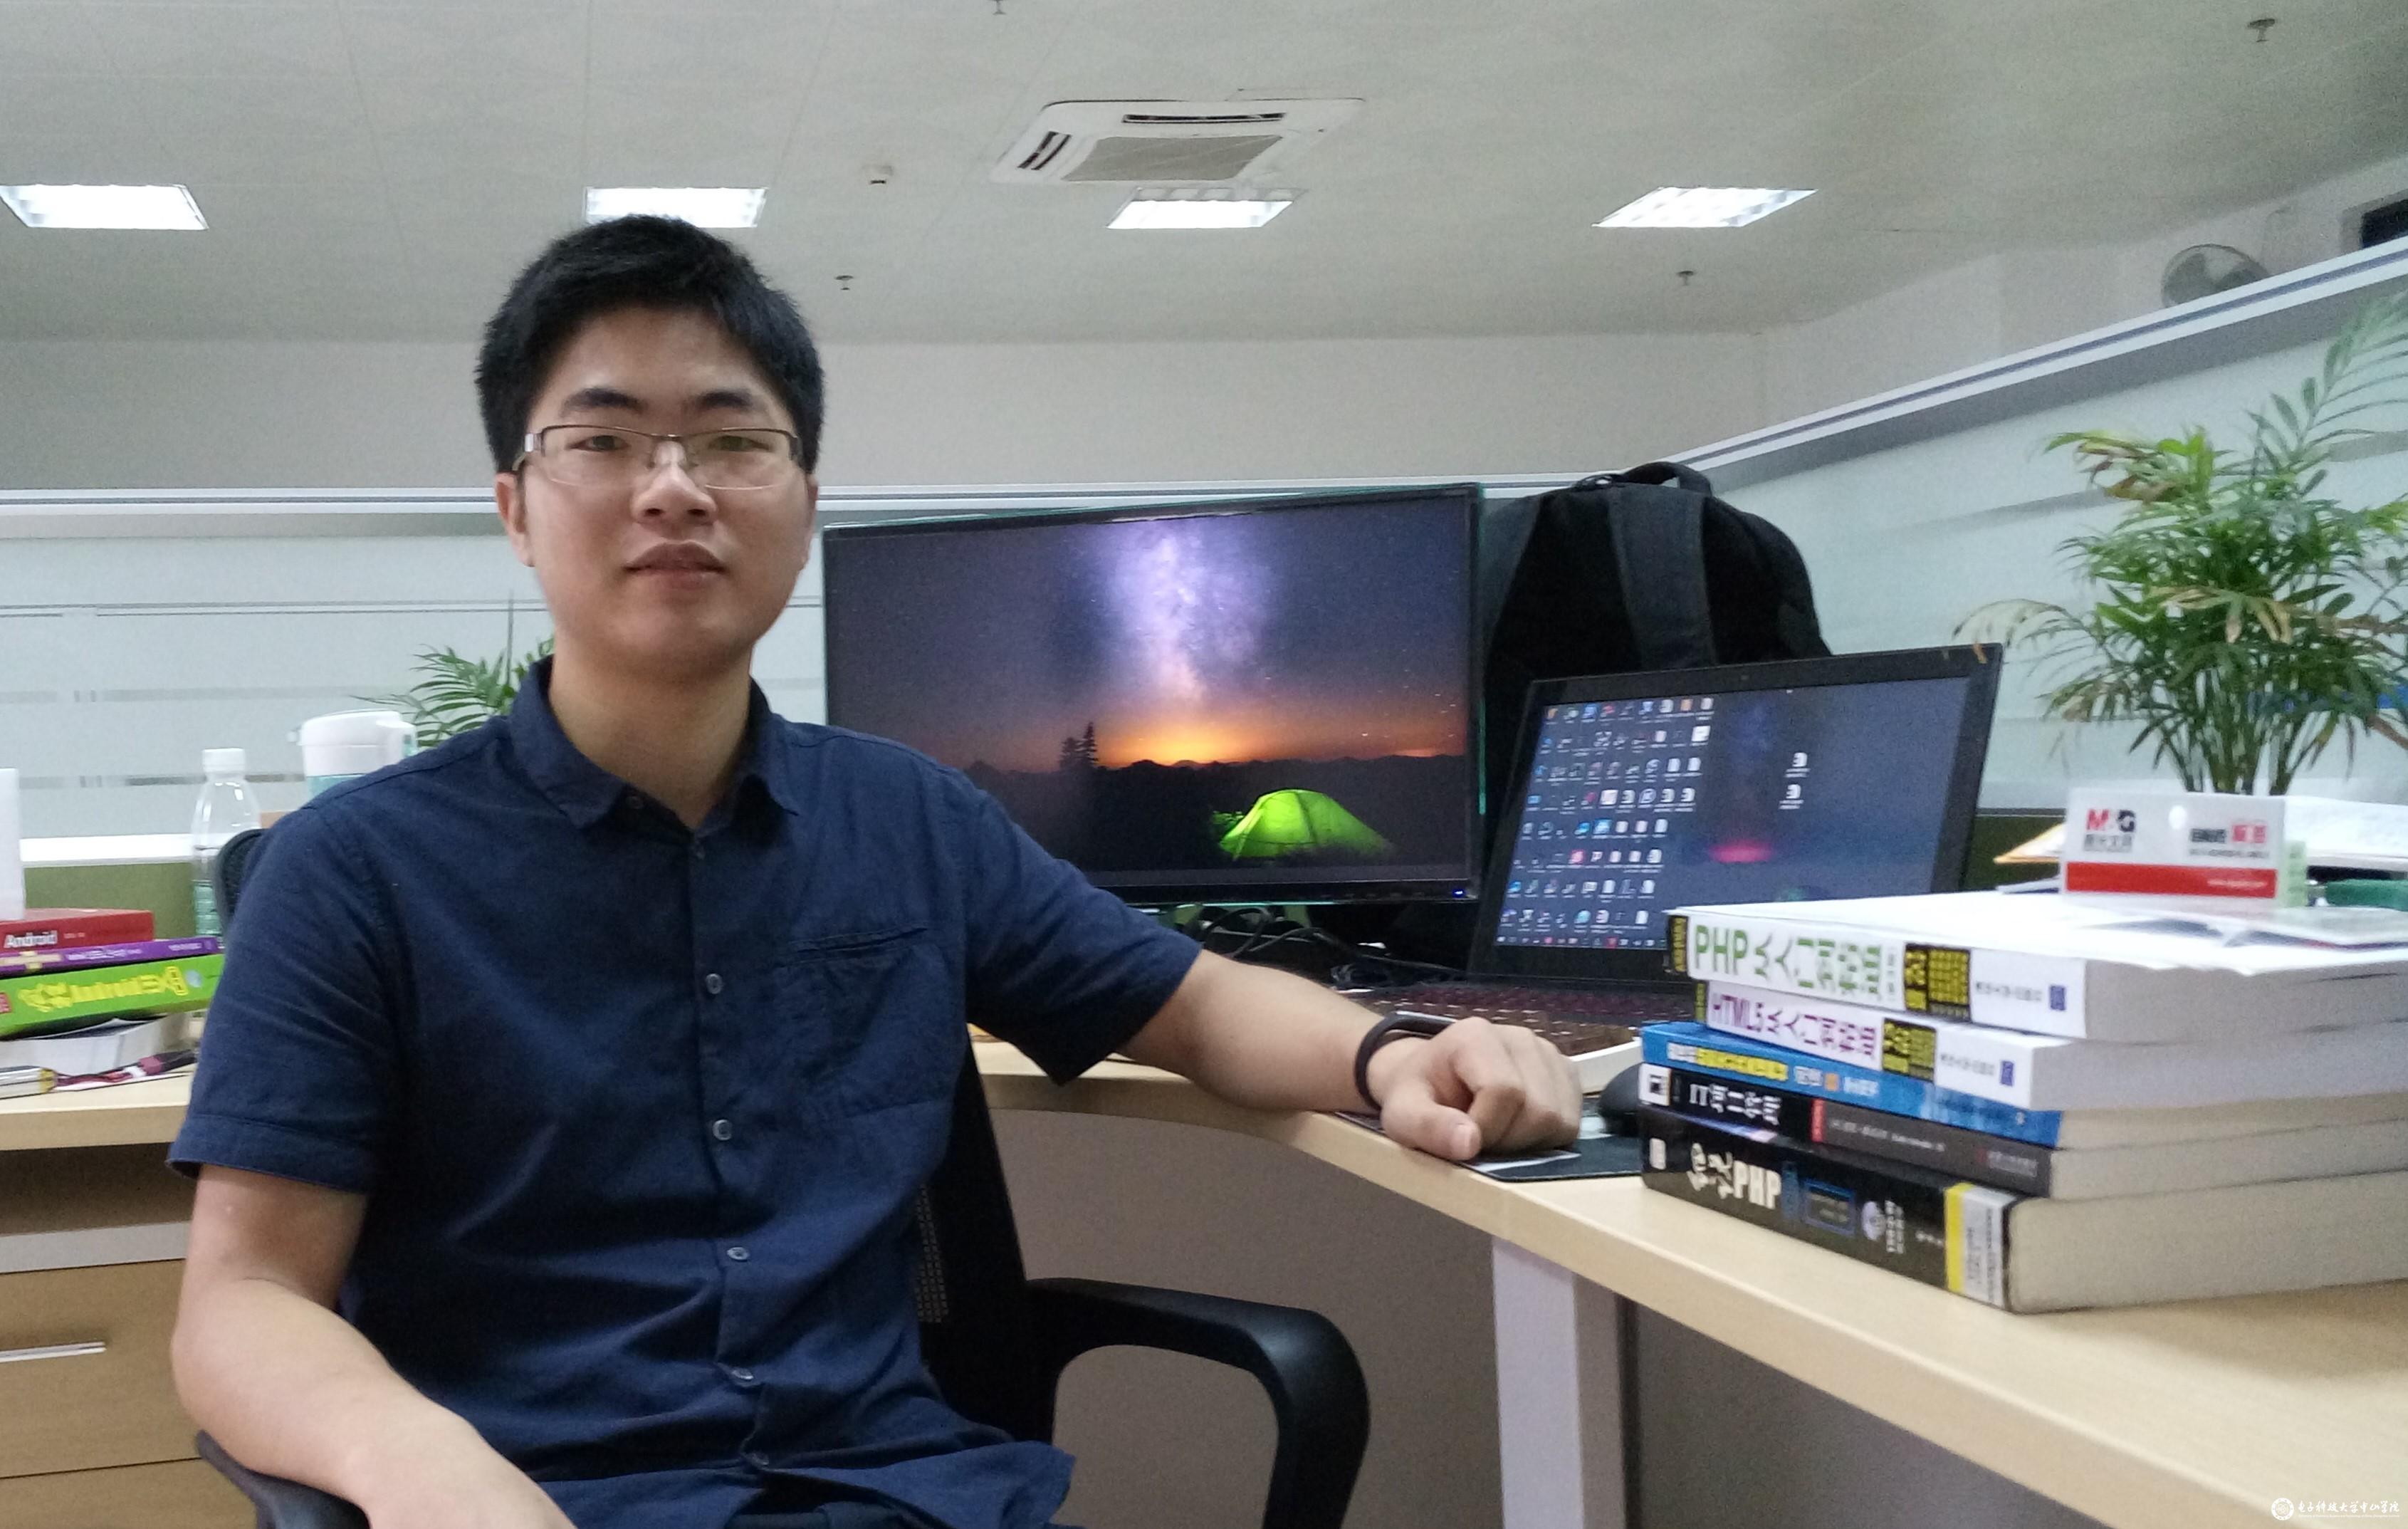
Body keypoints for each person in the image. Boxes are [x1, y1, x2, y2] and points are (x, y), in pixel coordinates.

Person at [169, 215, 1581, 1529]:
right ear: (516, 508)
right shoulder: (353, 872)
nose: (674, 489)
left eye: (732, 441)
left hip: (898, 1493)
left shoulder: (908, 819)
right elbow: (243, 1302)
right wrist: (417, 1468)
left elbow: (1192, 1003)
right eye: (603, 441)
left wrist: (1395, 1056)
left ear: (802, 501)